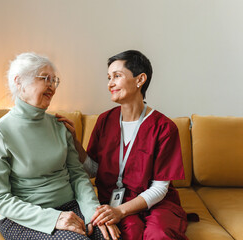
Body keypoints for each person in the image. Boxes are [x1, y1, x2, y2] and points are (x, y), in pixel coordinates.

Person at [0, 52, 120, 240]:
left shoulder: (59, 126)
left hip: (71, 207)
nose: (52, 87)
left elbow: (79, 176)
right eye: (45, 79)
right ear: (19, 81)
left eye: (54, 80)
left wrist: (92, 213)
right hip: (24, 218)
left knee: (111, 235)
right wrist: (53, 218)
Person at [57, 50, 188, 239]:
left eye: (117, 76)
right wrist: (75, 142)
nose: (110, 84)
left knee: (159, 234)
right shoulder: (104, 121)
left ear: (140, 79)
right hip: (114, 201)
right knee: (128, 233)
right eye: (109, 77)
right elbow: (93, 170)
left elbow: (160, 188)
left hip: (156, 203)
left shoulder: (165, 127)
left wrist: (121, 211)